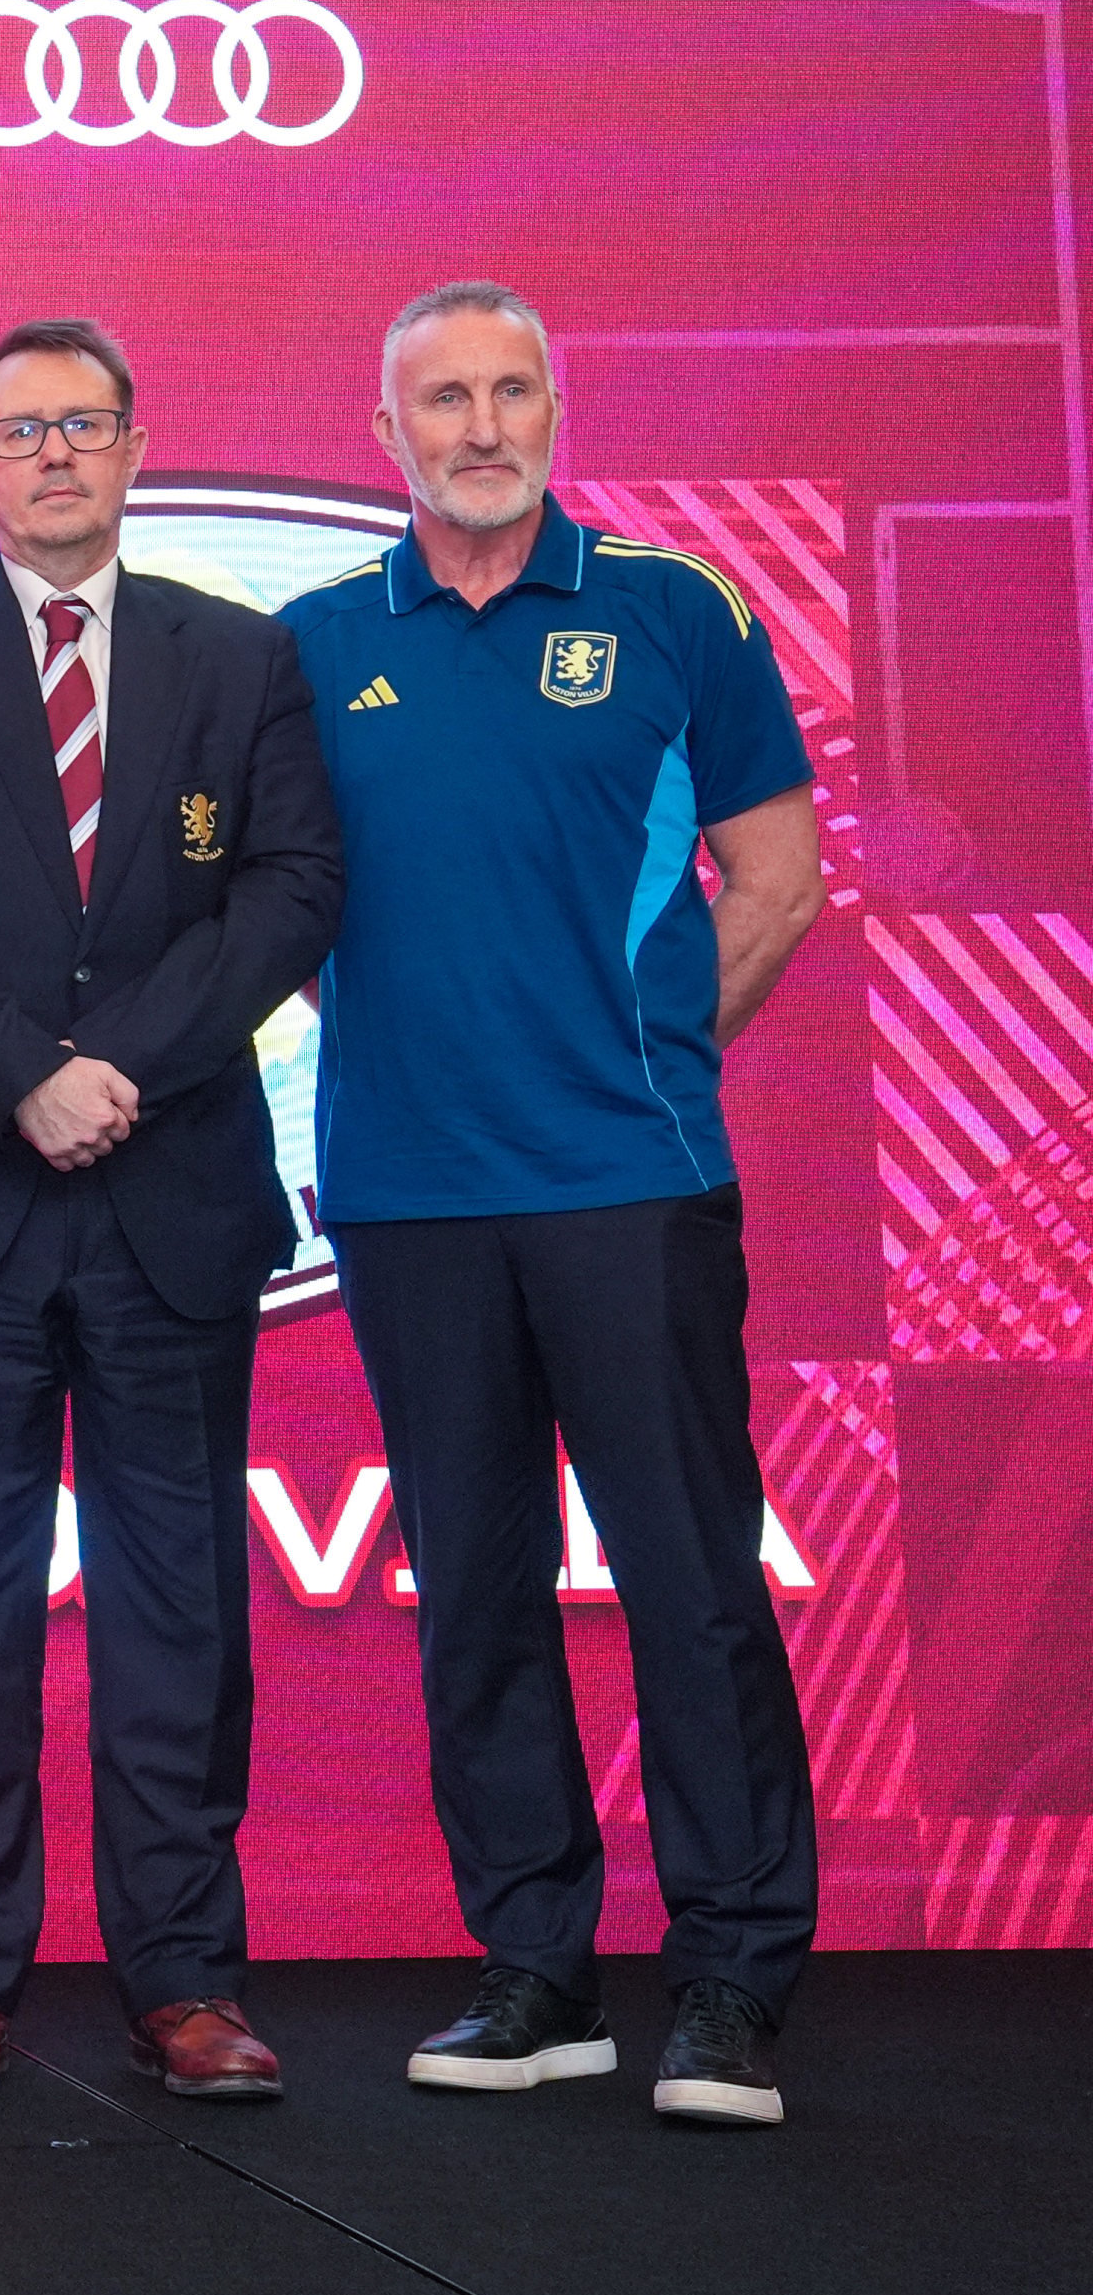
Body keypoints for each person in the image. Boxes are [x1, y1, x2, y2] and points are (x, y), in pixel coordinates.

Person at [282, 279, 825, 2127]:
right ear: (389, 434)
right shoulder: (311, 642)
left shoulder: (678, 612)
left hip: (629, 1186)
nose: (483, 426)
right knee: (480, 1599)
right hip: (409, 1199)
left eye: (514, 391)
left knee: (688, 1584)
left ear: (556, 412)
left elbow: (778, 875)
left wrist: (645, 1051)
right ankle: (536, 1968)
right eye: (445, 399)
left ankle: (735, 1978)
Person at [0, 318, 341, 2104]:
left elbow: (289, 892)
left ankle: (185, 1976)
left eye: (85, 425)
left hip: (171, 1189)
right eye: (17, 430)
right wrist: (20, 1075)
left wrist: (116, 1063)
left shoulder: (237, 654)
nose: (54, 455)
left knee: (177, 1598)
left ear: (136, 448)